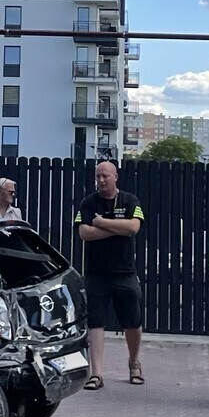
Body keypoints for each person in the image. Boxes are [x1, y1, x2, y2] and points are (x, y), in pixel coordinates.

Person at [74, 161, 145, 390]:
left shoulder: (130, 200)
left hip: (125, 272)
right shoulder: (88, 202)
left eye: (105, 175)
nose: (101, 180)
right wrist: (117, 229)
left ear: (116, 176)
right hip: (97, 274)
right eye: (98, 176)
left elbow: (133, 228)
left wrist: (102, 223)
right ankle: (97, 374)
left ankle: (134, 363)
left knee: (132, 322)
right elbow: (84, 233)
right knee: (96, 322)